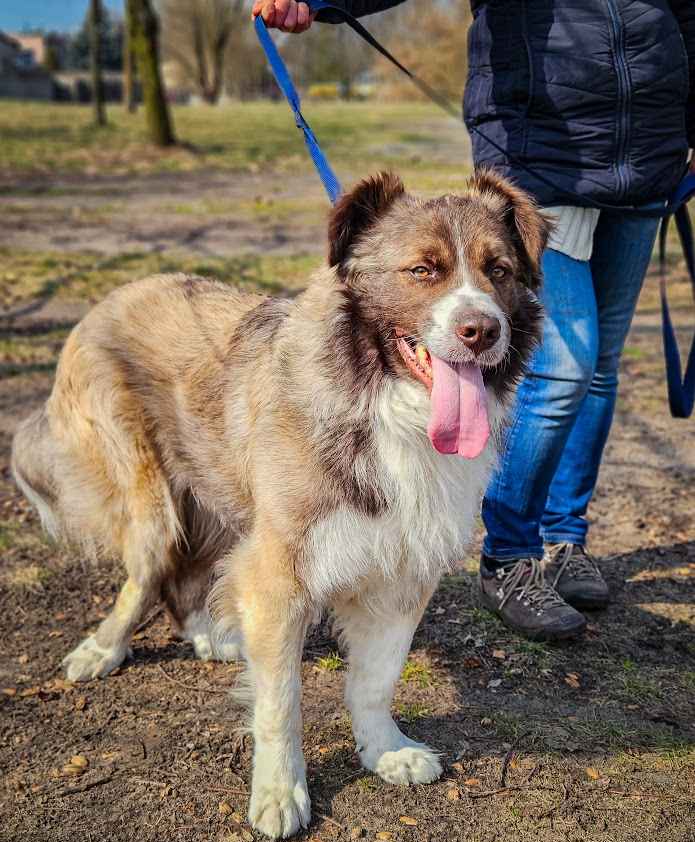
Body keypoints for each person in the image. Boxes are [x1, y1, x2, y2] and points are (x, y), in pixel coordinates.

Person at [253, 0, 695, 640]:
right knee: (565, 367)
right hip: (545, 154)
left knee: (600, 370)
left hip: (650, 158)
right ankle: (510, 556)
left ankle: (567, 538)